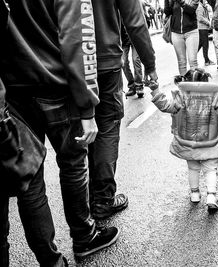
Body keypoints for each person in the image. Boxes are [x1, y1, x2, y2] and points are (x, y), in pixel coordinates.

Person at [0, 0, 123, 260]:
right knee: (73, 165)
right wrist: (88, 108)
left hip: (15, 90)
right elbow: (78, 38)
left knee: (31, 179)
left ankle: (51, 260)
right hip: (57, 85)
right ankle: (84, 236)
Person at [89, 0, 158, 220]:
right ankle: (102, 200)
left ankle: (81, 211)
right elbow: (135, 21)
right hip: (104, 58)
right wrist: (150, 64)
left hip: (66, 59)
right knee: (107, 127)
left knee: (78, 131)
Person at [150, 68, 218, 212]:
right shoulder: (214, 98)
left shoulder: (181, 97)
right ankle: (211, 196)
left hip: (187, 143)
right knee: (210, 169)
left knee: (193, 168)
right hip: (210, 143)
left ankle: (195, 194)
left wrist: (155, 90)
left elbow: (164, 105)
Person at [164, 0, 200, 75]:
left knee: (192, 60)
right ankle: (185, 83)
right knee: (181, 62)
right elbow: (167, 12)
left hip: (191, 32)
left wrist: (180, 1)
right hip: (176, 33)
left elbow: (191, 10)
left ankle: (194, 84)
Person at [121, 25, 145, 98]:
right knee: (123, 62)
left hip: (135, 38)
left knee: (136, 60)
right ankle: (132, 86)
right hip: (123, 40)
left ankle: (139, 85)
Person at [197, 0, 215, 66]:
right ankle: (206, 61)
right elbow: (200, 18)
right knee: (205, 45)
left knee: (201, 44)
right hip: (202, 28)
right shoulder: (200, 7)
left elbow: (210, 10)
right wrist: (208, 22)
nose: (206, 1)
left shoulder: (203, 6)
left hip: (203, 28)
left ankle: (205, 60)